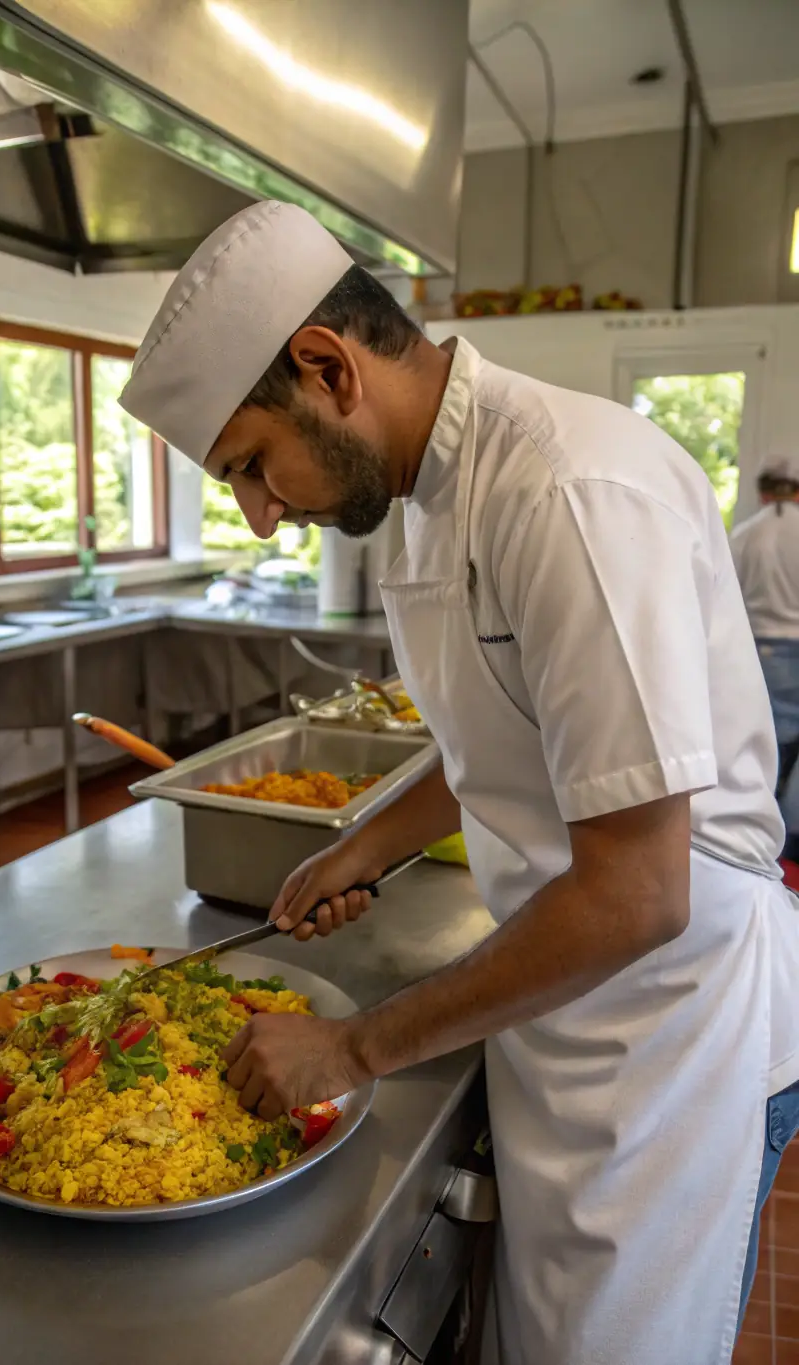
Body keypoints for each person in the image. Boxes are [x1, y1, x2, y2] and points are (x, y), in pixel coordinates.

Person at [121, 200, 799, 1365]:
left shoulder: (571, 494)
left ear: (326, 367)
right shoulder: (433, 497)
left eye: (250, 466)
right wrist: (366, 840)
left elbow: (640, 896)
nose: (262, 513)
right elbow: (506, 735)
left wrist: (352, 1046)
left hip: (669, 1023)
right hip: (564, 998)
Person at [731, 458, 799, 862]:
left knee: (766, 748)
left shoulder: (744, 535)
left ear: (762, 491)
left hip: (761, 652)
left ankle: (759, 840)